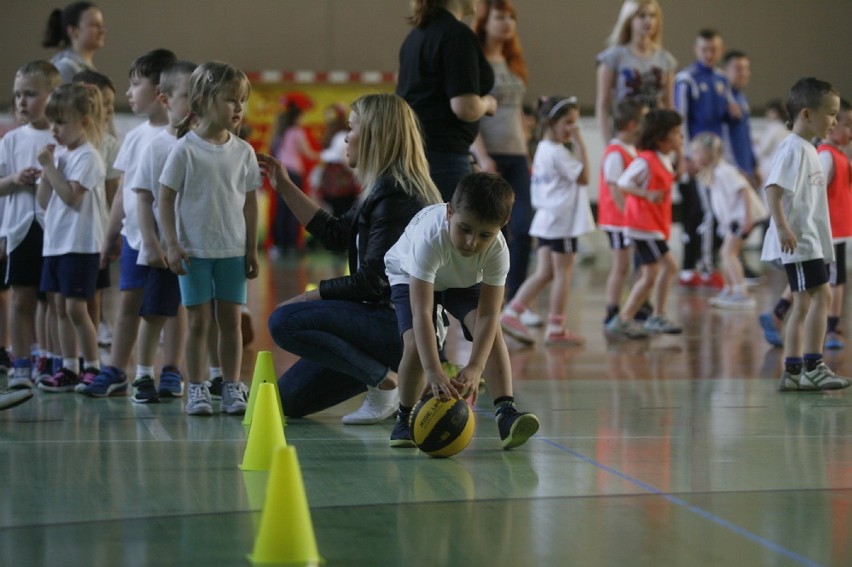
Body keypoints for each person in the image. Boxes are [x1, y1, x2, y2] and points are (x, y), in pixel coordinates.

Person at [261, 93, 443, 423]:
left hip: (398, 327)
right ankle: (388, 378)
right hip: (380, 325)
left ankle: (386, 382)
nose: (346, 136)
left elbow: (373, 283)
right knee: (289, 400)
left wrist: (307, 296)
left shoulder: (398, 194)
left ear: (376, 135)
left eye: (353, 127)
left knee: (284, 320)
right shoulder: (382, 188)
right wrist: (284, 186)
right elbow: (334, 233)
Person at [384, 172, 540, 449]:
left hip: (462, 280)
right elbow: (422, 312)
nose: (472, 243)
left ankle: (505, 411)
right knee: (415, 346)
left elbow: (490, 315)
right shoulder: (430, 239)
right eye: (465, 229)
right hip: (409, 275)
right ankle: (405, 416)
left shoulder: (498, 251)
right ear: (450, 211)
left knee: (491, 334)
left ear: (502, 225)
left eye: (484, 235)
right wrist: (433, 369)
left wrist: (475, 367)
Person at [159, 61, 260, 416]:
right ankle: (197, 387)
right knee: (199, 321)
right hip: (194, 252)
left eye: (241, 101)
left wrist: (251, 247)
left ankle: (231, 386)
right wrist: (171, 243)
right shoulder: (184, 150)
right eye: (231, 100)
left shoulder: (244, 152)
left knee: (231, 322)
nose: (238, 108)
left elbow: (249, 202)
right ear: (202, 101)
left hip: (232, 251)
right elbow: (165, 197)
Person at [79, 48, 177, 398]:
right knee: (127, 308)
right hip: (136, 240)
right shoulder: (135, 136)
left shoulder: (181, 136)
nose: (129, 92)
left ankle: (170, 370)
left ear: (161, 91)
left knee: (168, 311)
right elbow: (123, 190)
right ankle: (117, 369)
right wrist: (111, 234)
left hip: (171, 242)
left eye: (136, 84)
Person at [762, 78, 850, 392]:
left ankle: (797, 369)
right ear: (807, 114)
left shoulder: (809, 149)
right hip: (798, 243)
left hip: (809, 242)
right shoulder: (793, 149)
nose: (835, 122)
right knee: (817, 299)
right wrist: (784, 227)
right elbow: (773, 189)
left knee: (805, 302)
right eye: (831, 114)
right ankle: (809, 366)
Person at [128, 61, 197, 403]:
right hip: (164, 249)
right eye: (188, 96)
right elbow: (143, 199)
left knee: (193, 311)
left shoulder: (205, 144)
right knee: (155, 311)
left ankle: (181, 371)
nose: (196, 103)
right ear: (165, 99)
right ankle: (142, 374)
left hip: (199, 248)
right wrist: (152, 245)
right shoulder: (155, 146)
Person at [500, 96, 592, 346]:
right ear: (551, 122)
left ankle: (512, 312)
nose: (573, 128)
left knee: (545, 272)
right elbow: (584, 177)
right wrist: (580, 142)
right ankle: (556, 326)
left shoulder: (542, 147)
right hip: (561, 222)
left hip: (546, 219)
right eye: (569, 123)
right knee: (563, 273)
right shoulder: (558, 152)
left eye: (575, 124)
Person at [35, 82, 106, 392]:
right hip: (56, 243)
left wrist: (50, 167)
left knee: (77, 308)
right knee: (61, 308)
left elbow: (71, 197)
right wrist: (48, 169)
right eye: (52, 121)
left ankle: (91, 365)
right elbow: (43, 199)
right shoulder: (60, 154)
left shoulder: (88, 157)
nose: (54, 129)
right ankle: (68, 366)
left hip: (80, 244)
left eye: (61, 122)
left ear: (84, 122)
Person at [397, 0, 497, 200]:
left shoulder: (415, 36)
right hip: (445, 156)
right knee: (448, 227)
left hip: (415, 153)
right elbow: (465, 108)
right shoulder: (457, 35)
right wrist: (488, 103)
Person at [0, 61, 61, 389]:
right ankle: (20, 360)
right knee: (21, 297)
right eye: (18, 95)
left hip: (56, 231)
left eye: (31, 94)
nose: (22, 101)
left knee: (52, 299)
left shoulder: (62, 137)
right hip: (22, 229)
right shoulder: (11, 140)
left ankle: (51, 357)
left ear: (53, 96)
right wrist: (14, 179)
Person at [470, 0, 532, 303]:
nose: (507, 22)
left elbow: (518, 112)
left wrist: (528, 155)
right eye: (500, 16)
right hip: (490, 153)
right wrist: (481, 156)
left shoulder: (513, 60)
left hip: (517, 153)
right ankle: (490, 295)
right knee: (495, 227)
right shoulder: (477, 60)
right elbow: (471, 113)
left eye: (511, 17)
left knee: (524, 224)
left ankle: (515, 301)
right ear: (486, 20)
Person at [605, 109, 683, 338]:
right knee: (654, 271)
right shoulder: (646, 160)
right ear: (661, 138)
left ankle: (654, 315)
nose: (681, 138)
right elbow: (623, 183)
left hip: (654, 226)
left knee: (665, 268)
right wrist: (645, 194)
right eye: (677, 134)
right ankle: (625, 318)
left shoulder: (663, 159)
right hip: (643, 226)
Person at [674, 29, 731, 289]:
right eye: (704, 50)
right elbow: (681, 120)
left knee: (713, 213)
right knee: (698, 214)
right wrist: (685, 157)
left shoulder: (722, 79)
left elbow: (724, 121)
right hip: (694, 160)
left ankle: (701, 267)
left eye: (714, 50)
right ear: (696, 50)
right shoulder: (687, 79)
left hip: (715, 161)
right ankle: (695, 268)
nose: (709, 55)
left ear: (720, 51)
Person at [71, 69, 121, 351]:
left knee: (94, 293)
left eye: (111, 106)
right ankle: (63, 354)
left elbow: (114, 193)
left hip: (96, 233)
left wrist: (114, 233)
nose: (107, 111)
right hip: (65, 236)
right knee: (61, 299)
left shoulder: (109, 146)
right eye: (101, 104)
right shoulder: (62, 145)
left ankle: (90, 352)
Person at [691, 133, 767, 308]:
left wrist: (746, 218)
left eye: (697, 153)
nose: (694, 157)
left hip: (741, 218)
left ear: (708, 153)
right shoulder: (715, 172)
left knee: (728, 253)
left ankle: (742, 293)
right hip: (734, 220)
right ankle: (731, 288)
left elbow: (744, 190)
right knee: (725, 254)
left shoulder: (724, 171)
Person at [596, 99, 647, 326]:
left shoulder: (631, 150)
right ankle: (612, 309)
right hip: (617, 221)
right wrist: (629, 218)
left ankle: (636, 306)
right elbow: (615, 189)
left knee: (632, 264)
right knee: (621, 266)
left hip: (627, 219)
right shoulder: (616, 153)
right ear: (632, 125)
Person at [595, 0, 676, 141]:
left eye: (652, 15)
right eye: (642, 16)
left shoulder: (665, 60)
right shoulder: (613, 57)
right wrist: (608, 143)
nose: (648, 21)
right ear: (629, 19)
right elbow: (602, 106)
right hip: (626, 134)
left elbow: (669, 106)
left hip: (656, 136)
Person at [817, 98, 852, 350]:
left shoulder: (839, 155)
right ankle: (830, 329)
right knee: (833, 281)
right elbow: (814, 194)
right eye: (847, 125)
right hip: (829, 232)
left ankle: (832, 325)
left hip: (838, 231)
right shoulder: (826, 157)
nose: (850, 132)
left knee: (834, 280)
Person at [269, 95, 318, 254]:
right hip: (294, 173)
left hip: (281, 172)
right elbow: (308, 153)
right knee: (293, 209)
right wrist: (325, 155)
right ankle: (290, 245)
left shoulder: (279, 131)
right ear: (297, 117)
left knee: (281, 209)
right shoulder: (297, 132)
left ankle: (278, 245)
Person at [315, 103, 361, 217]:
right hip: (341, 182)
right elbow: (346, 159)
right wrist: (359, 175)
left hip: (329, 181)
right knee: (343, 212)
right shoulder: (342, 135)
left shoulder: (329, 137)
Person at [42, 2, 106, 84]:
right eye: (94, 25)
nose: (102, 31)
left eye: (101, 25)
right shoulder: (66, 68)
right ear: (73, 30)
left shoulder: (85, 68)